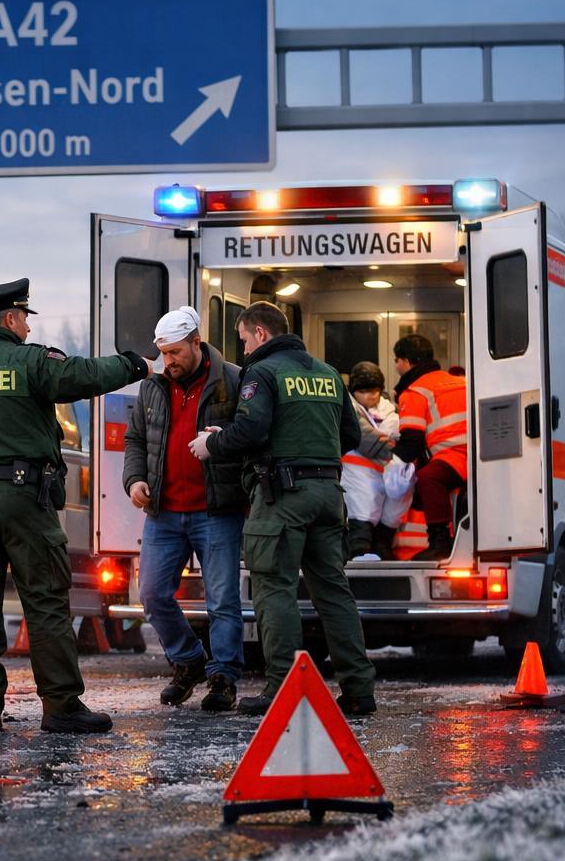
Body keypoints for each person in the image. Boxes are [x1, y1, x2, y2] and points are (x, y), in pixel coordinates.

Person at [0, 278, 148, 734]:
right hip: (23, 497)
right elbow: (84, 376)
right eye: (23, 319)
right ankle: (61, 707)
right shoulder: (31, 361)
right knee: (43, 600)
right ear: (9, 319)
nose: (25, 328)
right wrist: (134, 365)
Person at [191, 302, 376, 717]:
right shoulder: (328, 373)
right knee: (333, 591)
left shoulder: (263, 372)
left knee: (275, 590)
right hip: (329, 495)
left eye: (243, 340)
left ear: (260, 333)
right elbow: (350, 433)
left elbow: (252, 429)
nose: (242, 350)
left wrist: (214, 443)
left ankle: (284, 689)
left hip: (282, 497)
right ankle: (359, 690)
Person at [122, 307, 246, 712]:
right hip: (163, 512)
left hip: (216, 510)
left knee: (223, 600)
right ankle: (190, 661)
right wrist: (134, 480)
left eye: (175, 352)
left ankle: (224, 677)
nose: (168, 361)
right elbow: (135, 441)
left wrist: (223, 439)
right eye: (163, 353)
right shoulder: (153, 386)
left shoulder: (233, 379)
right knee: (153, 594)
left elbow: (250, 435)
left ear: (196, 343)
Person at [390, 334, 468, 561]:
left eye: (396, 360)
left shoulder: (416, 391)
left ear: (405, 361)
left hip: (452, 455)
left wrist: (393, 467)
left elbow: (411, 439)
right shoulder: (457, 381)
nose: (396, 366)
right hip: (478, 456)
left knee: (427, 478)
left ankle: (439, 541)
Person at [341, 361, 411, 560]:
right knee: (360, 530)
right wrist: (398, 448)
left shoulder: (392, 411)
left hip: (388, 482)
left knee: (385, 532)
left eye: (374, 390)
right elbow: (366, 439)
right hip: (357, 481)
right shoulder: (347, 410)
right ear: (354, 391)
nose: (370, 395)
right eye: (363, 391)